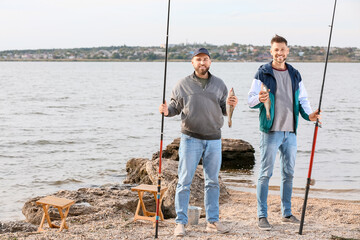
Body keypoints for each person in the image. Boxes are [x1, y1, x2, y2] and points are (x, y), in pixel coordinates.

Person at [159, 47, 238, 237]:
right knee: (184, 182)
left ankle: (212, 221)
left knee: (212, 182)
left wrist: (232, 105)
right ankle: (180, 222)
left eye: (205, 59)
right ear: (192, 63)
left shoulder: (219, 84)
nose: (202, 63)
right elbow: (175, 107)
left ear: (210, 62)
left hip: (214, 139)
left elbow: (224, 109)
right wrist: (166, 110)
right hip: (190, 138)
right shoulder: (182, 85)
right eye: (198, 60)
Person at [247, 35, 321, 231]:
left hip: (291, 132)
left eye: (283, 50)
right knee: (265, 173)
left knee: (288, 173)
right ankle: (262, 216)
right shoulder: (263, 72)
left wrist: (310, 115)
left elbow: (303, 100)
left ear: (288, 51)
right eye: (276, 50)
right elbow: (250, 100)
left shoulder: (295, 74)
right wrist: (259, 99)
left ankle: (286, 213)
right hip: (270, 131)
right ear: (271, 52)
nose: (280, 53)